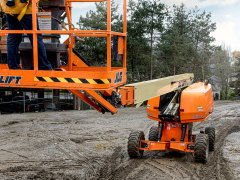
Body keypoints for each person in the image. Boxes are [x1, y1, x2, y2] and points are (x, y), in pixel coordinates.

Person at [0, 0, 52, 70]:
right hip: (26, 9)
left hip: (9, 10)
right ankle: (43, 67)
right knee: (35, 38)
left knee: (13, 38)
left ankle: (13, 67)